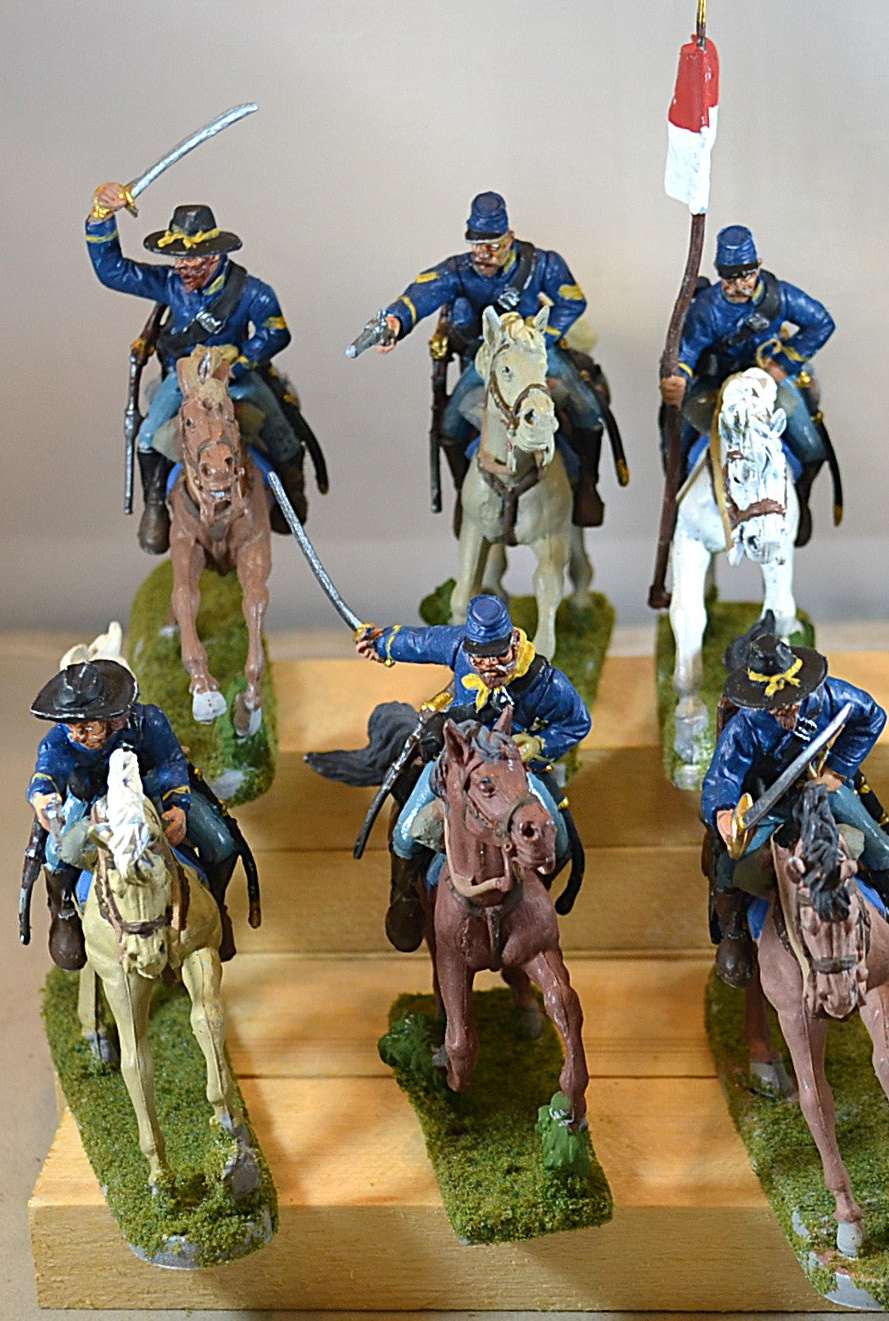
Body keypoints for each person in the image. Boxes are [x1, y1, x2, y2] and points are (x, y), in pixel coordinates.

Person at [355, 594, 591, 951]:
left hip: (513, 767)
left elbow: (577, 722)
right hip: (456, 760)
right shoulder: (459, 646)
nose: (489, 666)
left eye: (499, 655)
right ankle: (403, 899)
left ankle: (535, 899)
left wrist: (537, 744)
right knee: (404, 832)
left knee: (559, 838)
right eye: (481, 658)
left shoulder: (544, 682)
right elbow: (420, 641)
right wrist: (380, 642)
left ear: (514, 643)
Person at [85, 184, 306, 553]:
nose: (182, 268)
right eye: (179, 261)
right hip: (184, 380)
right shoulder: (170, 284)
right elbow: (113, 272)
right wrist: (101, 217)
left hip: (236, 379)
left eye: (191, 261)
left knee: (282, 432)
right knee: (148, 436)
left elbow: (276, 334)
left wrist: (239, 363)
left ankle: (293, 498)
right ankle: (155, 505)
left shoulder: (253, 292)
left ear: (214, 257)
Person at [369, 191, 610, 527]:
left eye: (493, 245)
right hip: (490, 358)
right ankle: (463, 494)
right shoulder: (458, 271)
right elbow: (422, 294)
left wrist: (541, 337)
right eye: (476, 245)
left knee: (588, 408)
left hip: (537, 352)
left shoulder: (543, 264)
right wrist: (396, 321)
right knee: (449, 425)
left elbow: (573, 301)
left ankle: (587, 485)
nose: (483, 254)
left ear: (509, 237)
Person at [699, 634, 889, 987]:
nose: (784, 711)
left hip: (821, 791)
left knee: (887, 853)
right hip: (768, 803)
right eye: (776, 707)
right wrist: (724, 813)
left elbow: (872, 716)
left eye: (790, 703)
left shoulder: (832, 697)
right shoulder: (745, 726)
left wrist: (838, 770)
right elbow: (723, 776)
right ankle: (734, 934)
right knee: (729, 869)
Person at [27, 660, 242, 969]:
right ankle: (63, 913)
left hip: (152, 792)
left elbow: (170, 761)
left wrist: (178, 805)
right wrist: (43, 795)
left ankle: (215, 902)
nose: (77, 735)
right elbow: (48, 768)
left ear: (110, 718)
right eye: (71, 726)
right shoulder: (61, 738)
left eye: (86, 727)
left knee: (220, 840)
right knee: (56, 854)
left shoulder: (148, 722)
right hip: (92, 800)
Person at [659, 225, 835, 544]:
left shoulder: (780, 296)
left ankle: (800, 498)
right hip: (714, 384)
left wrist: (782, 366)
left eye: (746, 275)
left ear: (759, 267)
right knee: (676, 444)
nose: (739, 284)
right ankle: (678, 502)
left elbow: (821, 322)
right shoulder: (706, 308)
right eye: (730, 277)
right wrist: (677, 379)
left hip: (766, 382)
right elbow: (687, 350)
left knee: (811, 446)